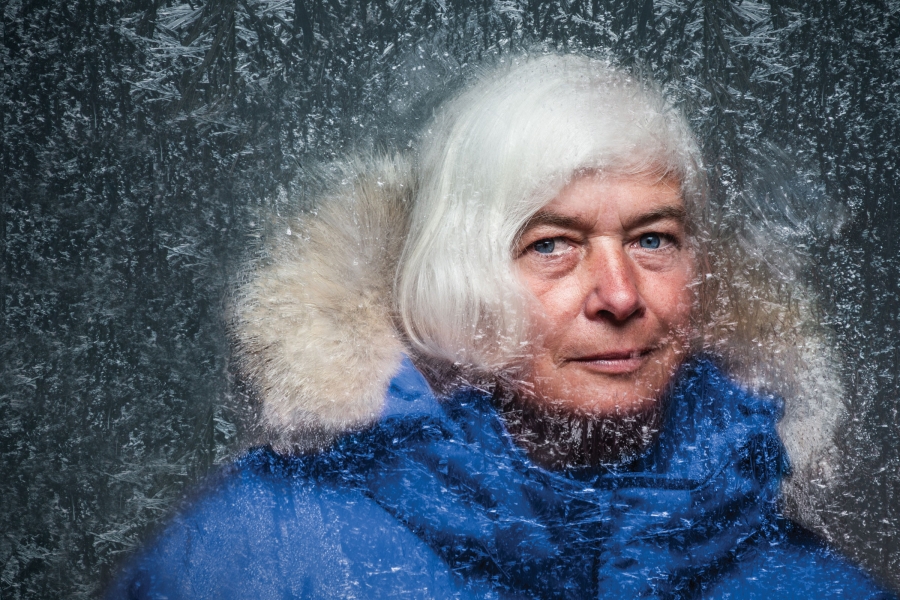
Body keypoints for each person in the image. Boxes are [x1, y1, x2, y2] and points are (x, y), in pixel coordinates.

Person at [108, 54, 895, 599]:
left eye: (653, 239)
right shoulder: (258, 554)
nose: (619, 295)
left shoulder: (801, 582)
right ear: (460, 278)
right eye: (552, 245)